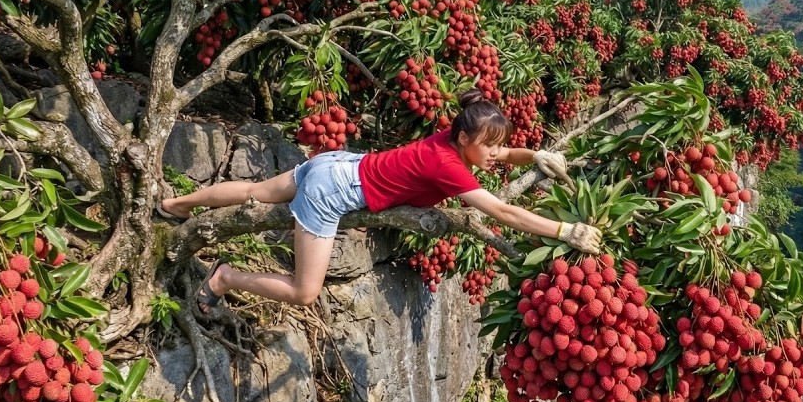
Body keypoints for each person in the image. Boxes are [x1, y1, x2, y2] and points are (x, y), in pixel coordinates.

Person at [158, 89, 602, 312]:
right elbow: (502, 212)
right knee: (305, 291)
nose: (493, 154)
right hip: (332, 191)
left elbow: (503, 154)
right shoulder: (449, 167)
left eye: (496, 146)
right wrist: (566, 231)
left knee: (255, 192)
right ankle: (225, 278)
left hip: (336, 163)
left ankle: (176, 204)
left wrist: (537, 155)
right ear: (465, 138)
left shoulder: (452, 138)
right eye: (487, 145)